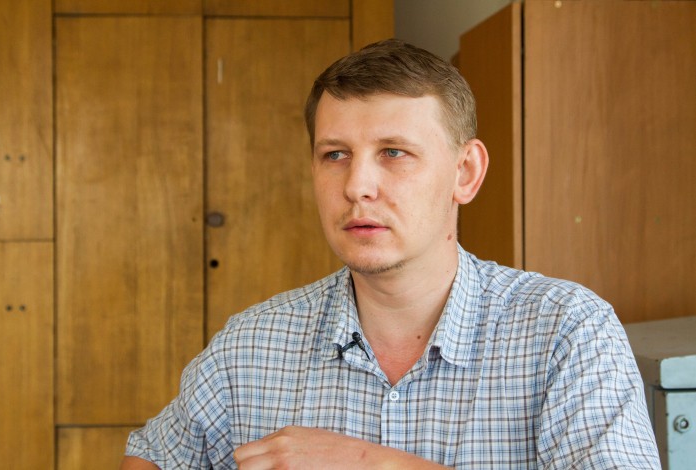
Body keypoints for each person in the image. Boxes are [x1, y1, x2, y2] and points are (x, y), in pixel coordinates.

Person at [121, 39, 660, 469]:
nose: (357, 186)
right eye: (335, 155)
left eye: (394, 152)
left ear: (465, 172)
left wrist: (366, 462)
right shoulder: (249, 346)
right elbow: (152, 458)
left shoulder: (567, 331)